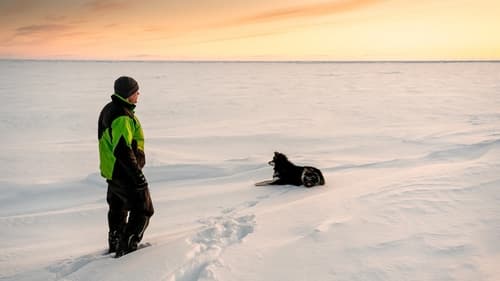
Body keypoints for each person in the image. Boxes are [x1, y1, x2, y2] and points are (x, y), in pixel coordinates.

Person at [98, 76, 154, 258]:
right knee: (143, 209)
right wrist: (137, 176)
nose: (139, 94)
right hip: (124, 172)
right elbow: (122, 149)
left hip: (113, 171)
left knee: (118, 209)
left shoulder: (109, 109)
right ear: (129, 94)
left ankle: (115, 244)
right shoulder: (122, 116)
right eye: (136, 91)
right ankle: (127, 250)